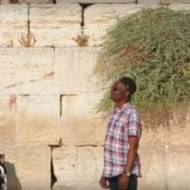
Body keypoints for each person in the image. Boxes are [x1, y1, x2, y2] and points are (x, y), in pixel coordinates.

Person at [99, 77, 142, 190]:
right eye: (113, 88)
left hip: (124, 175)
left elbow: (133, 146)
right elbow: (112, 147)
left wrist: (126, 175)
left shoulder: (131, 114)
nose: (112, 91)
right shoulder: (116, 113)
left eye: (116, 88)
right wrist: (105, 174)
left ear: (126, 93)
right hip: (113, 174)